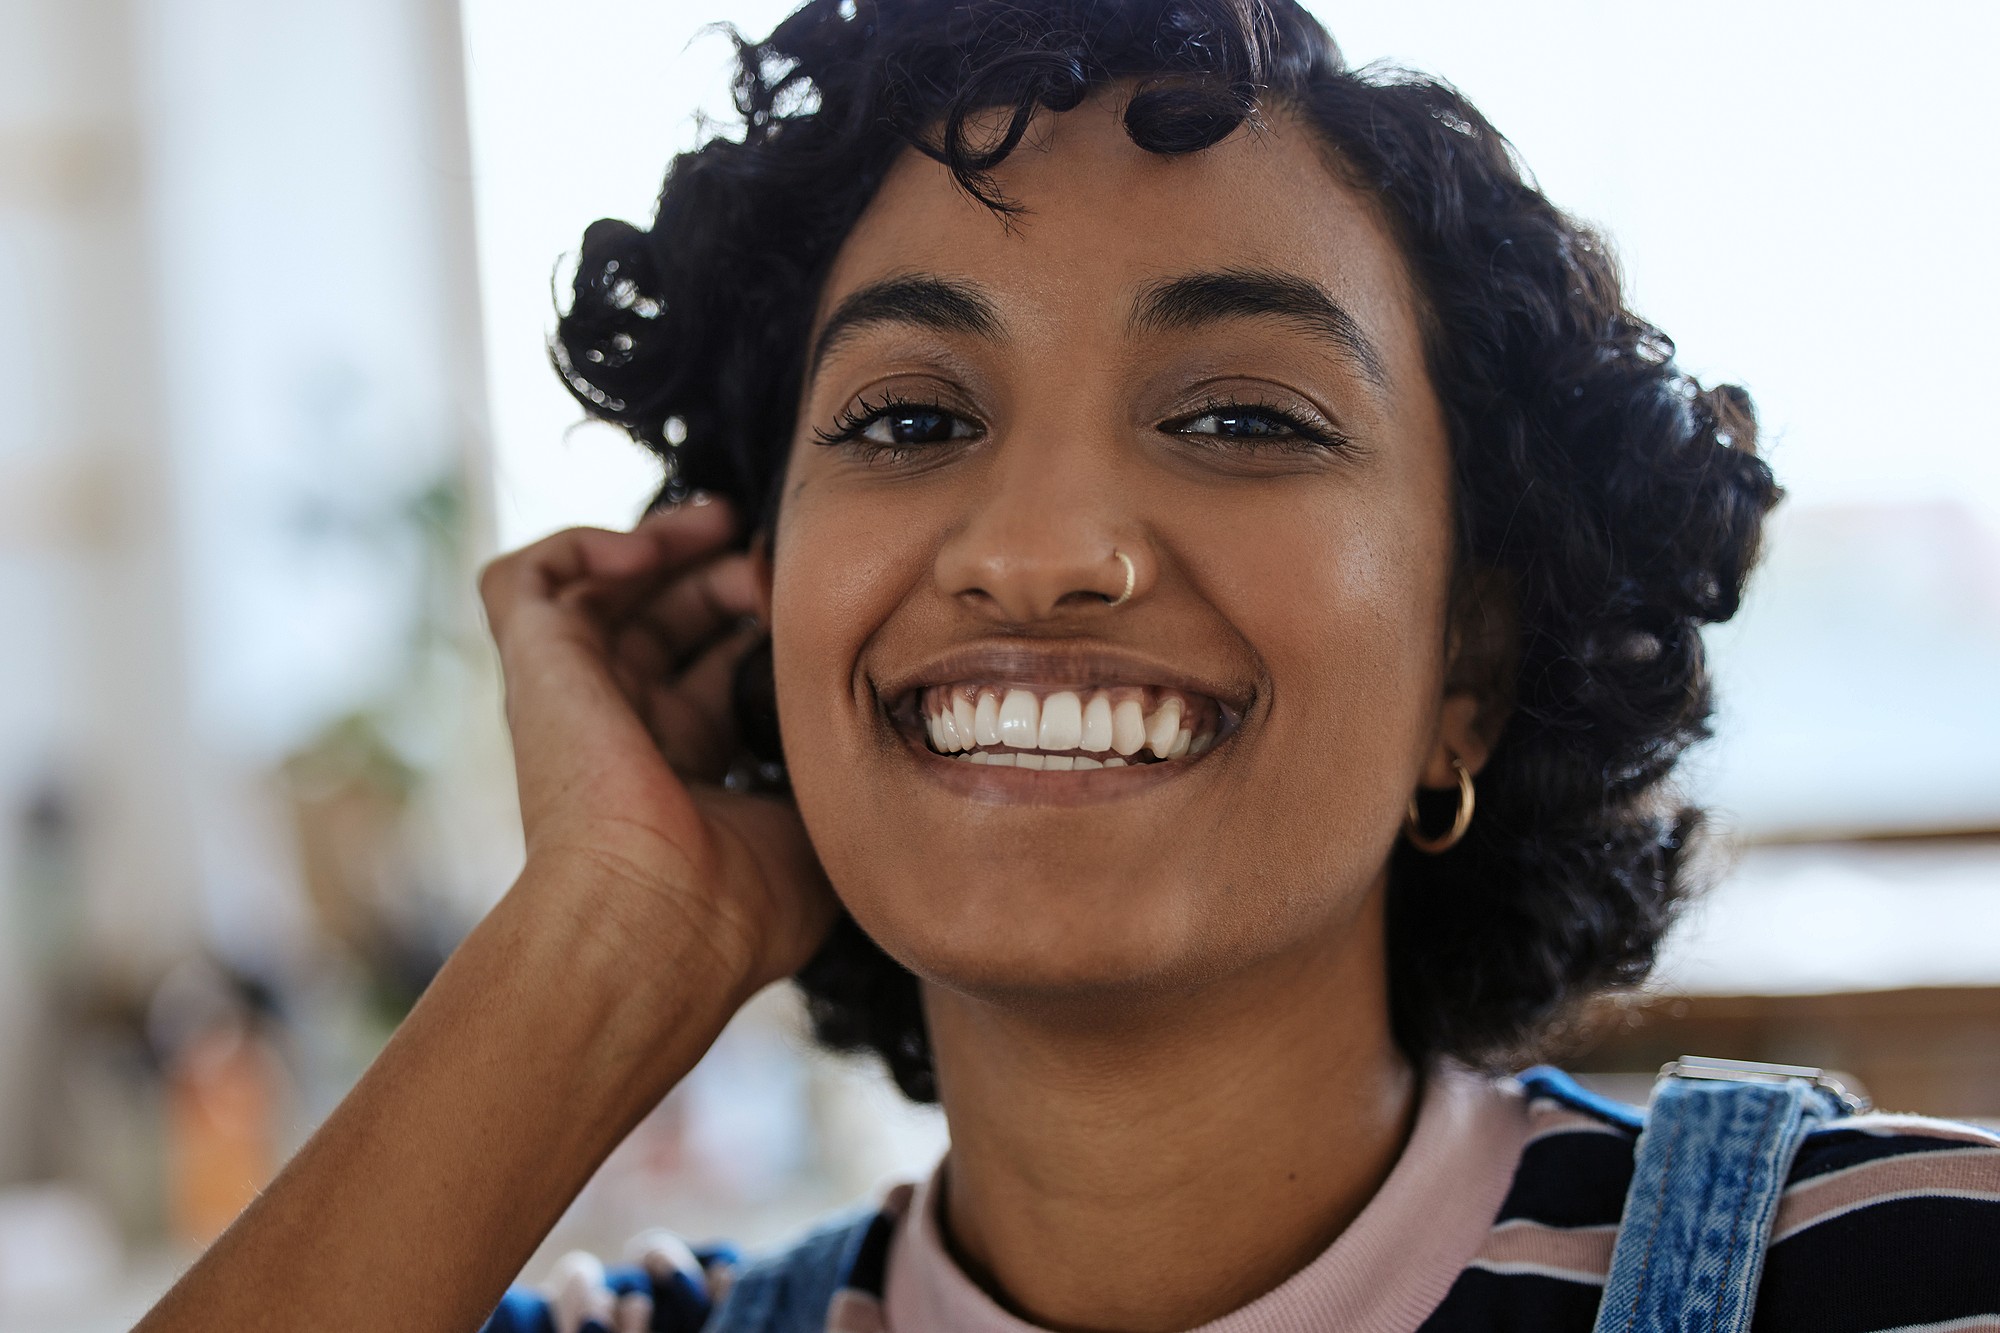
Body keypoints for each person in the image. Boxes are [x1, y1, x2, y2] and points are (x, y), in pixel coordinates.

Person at [138, 2, 2000, 1331]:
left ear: (1472, 659)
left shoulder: (1905, 1268)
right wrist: (607, 932)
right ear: (765, 593)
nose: (1036, 549)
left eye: (1243, 414)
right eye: (906, 417)